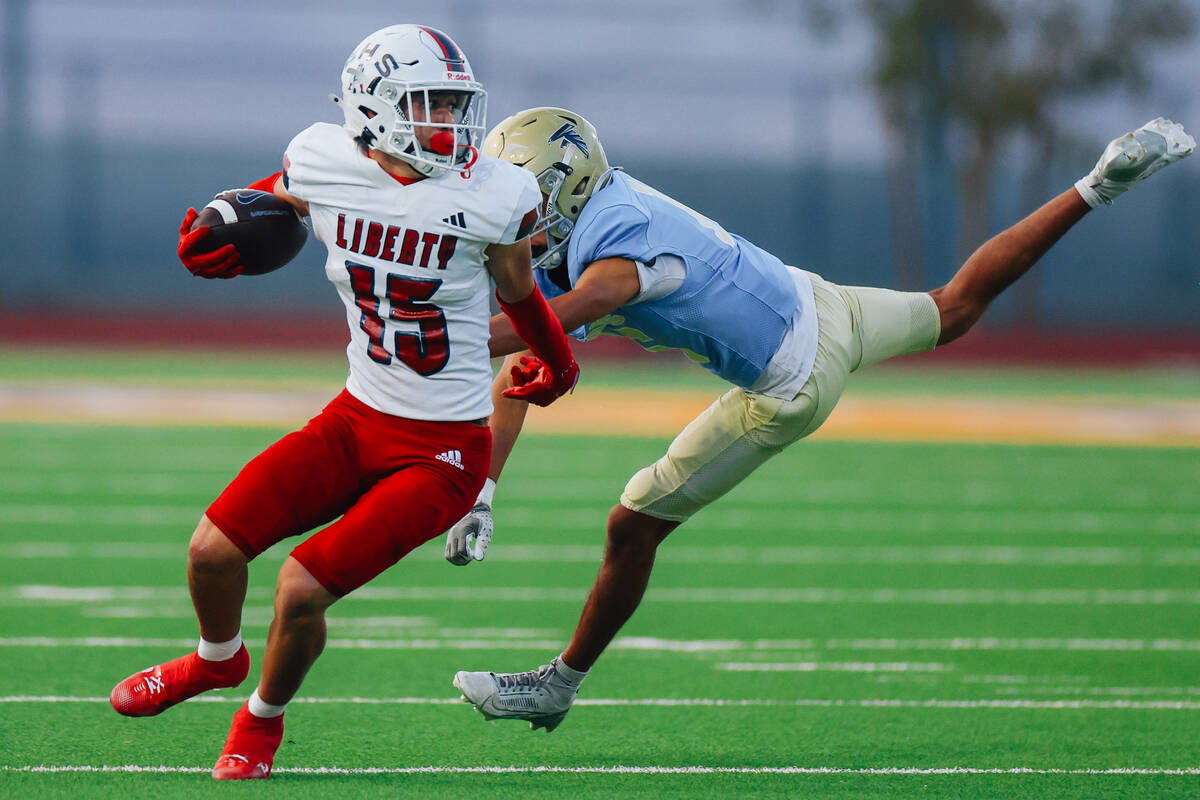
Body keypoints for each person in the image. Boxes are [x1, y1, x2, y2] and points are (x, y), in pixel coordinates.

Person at [445, 107, 1194, 731]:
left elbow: (568, 313)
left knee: (631, 524)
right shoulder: (590, 217)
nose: (515, 215)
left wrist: (446, 330)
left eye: (527, 197)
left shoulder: (613, 248)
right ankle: (1097, 185)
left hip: (790, 383)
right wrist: (482, 488)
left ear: (568, 188)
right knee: (954, 307)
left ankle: (560, 685)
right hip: (818, 301)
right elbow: (524, 368)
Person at [108, 29, 579, 780]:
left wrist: (559, 361)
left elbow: (522, 294)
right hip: (356, 417)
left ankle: (260, 719)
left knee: (299, 589)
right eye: (431, 107)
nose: (451, 127)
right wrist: (216, 231)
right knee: (211, 550)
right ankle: (215, 661)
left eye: (458, 107)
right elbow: (274, 195)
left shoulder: (496, 194)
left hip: (447, 449)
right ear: (372, 111)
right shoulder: (324, 158)